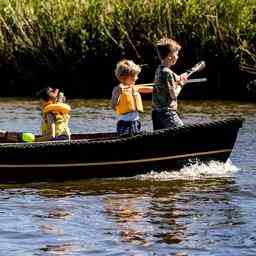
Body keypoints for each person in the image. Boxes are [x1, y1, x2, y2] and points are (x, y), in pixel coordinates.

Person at [152, 37, 195, 130]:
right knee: (184, 133)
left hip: (156, 114)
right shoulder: (168, 73)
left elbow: (172, 76)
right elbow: (173, 95)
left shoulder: (159, 69)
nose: (178, 56)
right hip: (168, 114)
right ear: (170, 55)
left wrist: (180, 77)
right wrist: (181, 84)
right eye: (177, 53)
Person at [111, 59, 153, 136]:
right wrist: (117, 94)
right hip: (125, 123)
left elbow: (153, 89)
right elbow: (113, 106)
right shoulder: (117, 89)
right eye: (134, 76)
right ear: (124, 77)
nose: (136, 78)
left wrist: (162, 86)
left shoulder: (135, 87)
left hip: (136, 122)